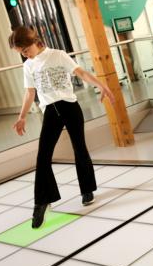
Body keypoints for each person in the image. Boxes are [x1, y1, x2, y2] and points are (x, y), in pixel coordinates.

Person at [9, 26, 115, 229]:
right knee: (43, 156)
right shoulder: (28, 66)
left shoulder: (58, 55)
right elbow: (29, 93)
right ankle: (41, 201)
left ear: (34, 41)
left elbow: (81, 72)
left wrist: (102, 85)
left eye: (24, 50)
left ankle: (87, 189)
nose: (24, 54)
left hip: (69, 106)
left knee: (80, 148)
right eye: (21, 52)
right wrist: (22, 116)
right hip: (50, 110)